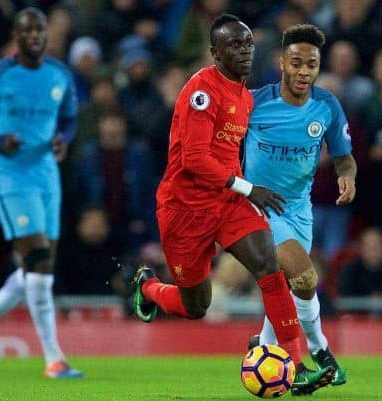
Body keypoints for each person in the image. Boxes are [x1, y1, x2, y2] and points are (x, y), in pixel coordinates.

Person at [131, 14, 333, 396]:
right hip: (185, 210)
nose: (244, 51)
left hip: (227, 200)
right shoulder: (201, 91)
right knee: (196, 306)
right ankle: (150, 289)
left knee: (268, 266)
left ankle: (295, 364)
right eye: (235, 45)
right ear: (215, 52)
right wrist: (248, 186)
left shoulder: (244, 94)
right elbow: (193, 158)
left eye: (248, 44)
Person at [0, 8, 82, 378]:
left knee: (37, 265)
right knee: (38, 264)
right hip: (10, 176)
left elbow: (69, 119)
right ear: (16, 36)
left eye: (39, 30)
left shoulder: (59, 75)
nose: (34, 35)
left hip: (47, 176)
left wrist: (63, 139)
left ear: (46, 35)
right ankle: (54, 358)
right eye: (26, 30)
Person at [243, 23, 357, 386]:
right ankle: (319, 350)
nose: (304, 71)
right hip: (261, 207)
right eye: (296, 63)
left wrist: (348, 176)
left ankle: (264, 347)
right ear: (282, 63)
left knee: (287, 289)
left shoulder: (326, 106)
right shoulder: (254, 103)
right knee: (305, 278)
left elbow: (344, 157)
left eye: (311, 64)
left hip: (299, 209)